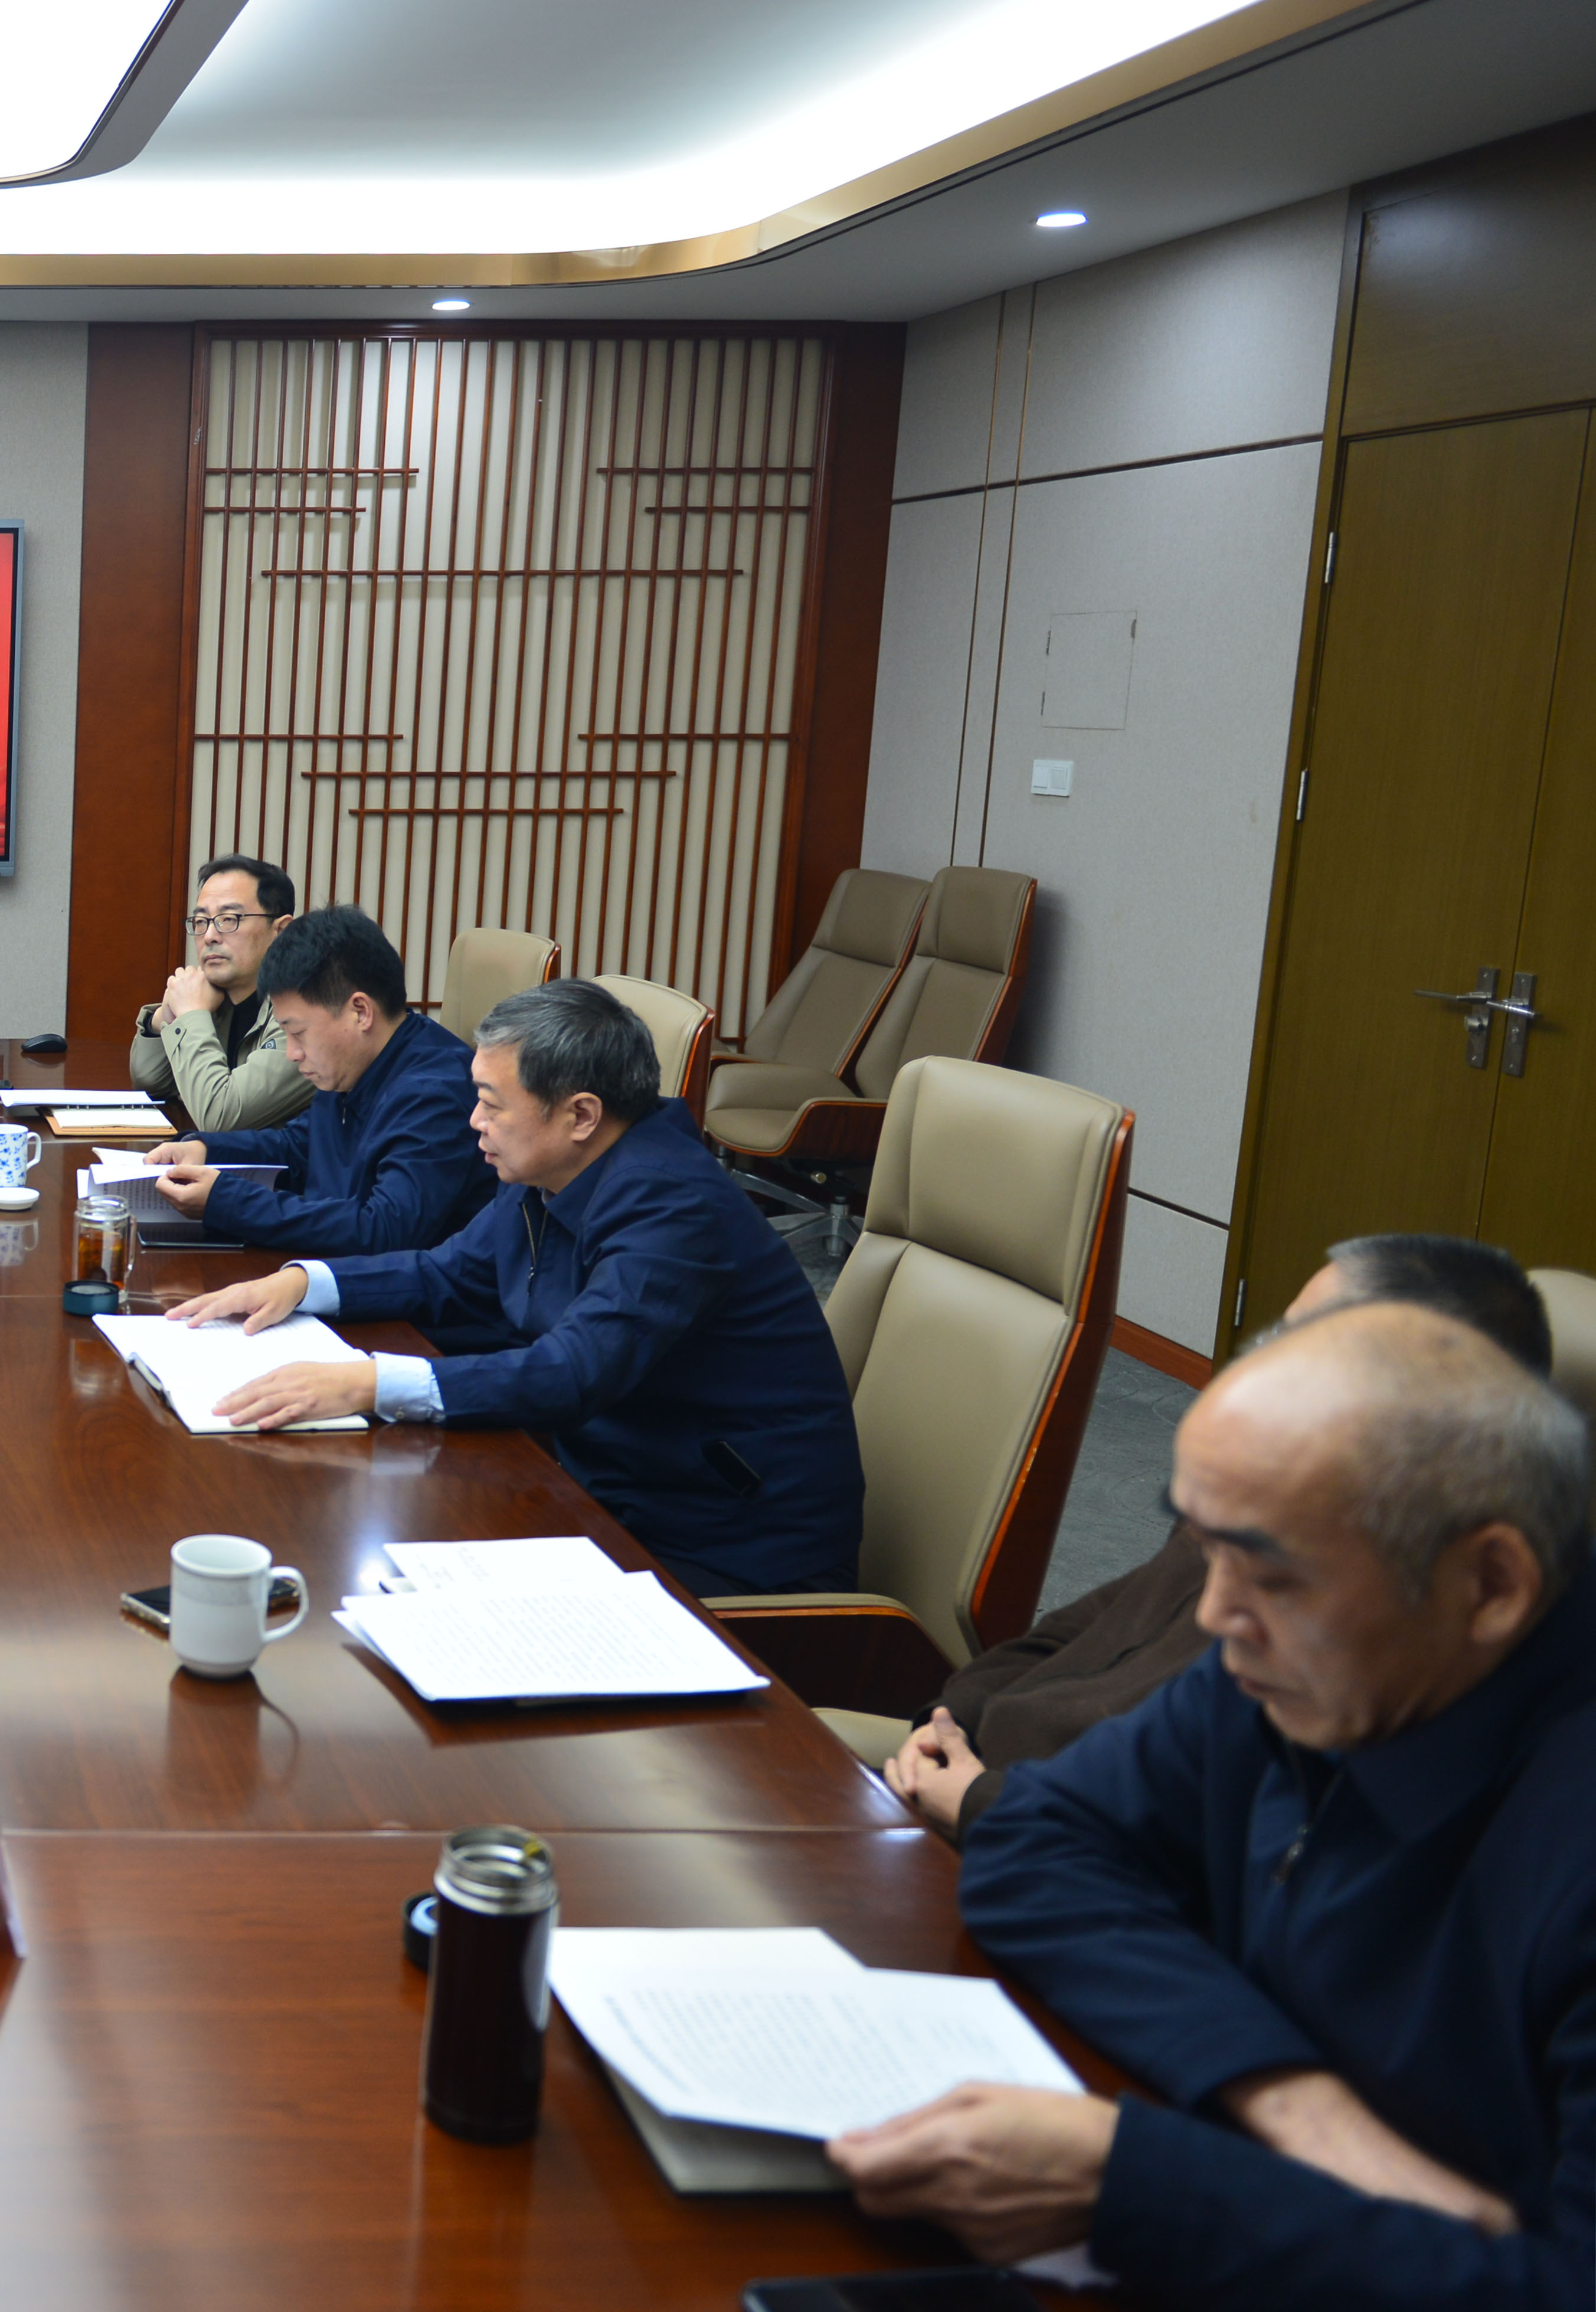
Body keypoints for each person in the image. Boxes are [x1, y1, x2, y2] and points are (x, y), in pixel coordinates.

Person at [835, 1302, 1596, 2307]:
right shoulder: (1310, 1665)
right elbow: (1037, 1840)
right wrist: (1298, 2110)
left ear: (1491, 1584)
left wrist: (1140, 2184)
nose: (1214, 1615)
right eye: (1205, 1549)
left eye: (1270, 1572)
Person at [168, 978, 861, 1597]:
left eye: (491, 1103)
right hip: (609, 1489)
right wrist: (300, 1282)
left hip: (727, 1546)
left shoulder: (672, 1203)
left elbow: (571, 1371)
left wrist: (367, 1382)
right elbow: (448, 1273)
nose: (474, 1120)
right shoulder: (553, 1168)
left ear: (580, 1114)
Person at [881, 1232, 1557, 1841]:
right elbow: (1086, 1625)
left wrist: (984, 1804)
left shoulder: (1388, 1628)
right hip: (983, 1792)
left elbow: (1196, 1841)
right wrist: (948, 1719)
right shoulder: (1261, 1490)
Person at [140, 906, 485, 1256]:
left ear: (360, 1012)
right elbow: (298, 1148)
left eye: (298, 1033)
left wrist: (226, 1201)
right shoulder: (353, 1062)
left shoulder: (434, 1092)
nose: (292, 1053)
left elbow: (384, 1229)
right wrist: (206, 1150)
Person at [127, 855, 310, 1132]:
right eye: (201, 921)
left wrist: (191, 1015)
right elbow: (151, 1082)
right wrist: (162, 1018)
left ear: (281, 930)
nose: (210, 935)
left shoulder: (304, 1008)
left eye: (228, 919)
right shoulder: (214, 997)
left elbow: (221, 1117)